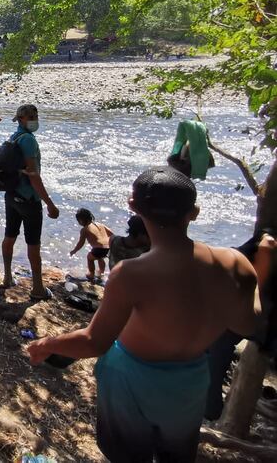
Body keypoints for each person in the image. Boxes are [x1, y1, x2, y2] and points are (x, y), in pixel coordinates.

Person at [27, 167, 259, 462]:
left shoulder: (130, 274)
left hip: (132, 382)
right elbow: (247, 324)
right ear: (195, 212)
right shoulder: (234, 262)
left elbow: (94, 342)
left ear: (133, 206)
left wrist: (46, 345)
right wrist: (260, 272)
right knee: (176, 454)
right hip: (190, 380)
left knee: (128, 455)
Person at [206, 227, 277, 420]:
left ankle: (210, 408)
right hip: (251, 309)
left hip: (259, 312)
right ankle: (209, 406)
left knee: (218, 340)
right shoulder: (266, 239)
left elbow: (256, 291)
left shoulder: (267, 243)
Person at [0, 104, 59, 301]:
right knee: (33, 244)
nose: (34, 119)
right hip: (28, 200)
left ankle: (8, 277)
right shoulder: (29, 141)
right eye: (30, 117)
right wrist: (49, 203)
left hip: (11, 196)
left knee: (10, 236)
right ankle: (38, 288)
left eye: (35, 115)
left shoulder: (13, 137)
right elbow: (34, 175)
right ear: (21, 119)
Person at [70, 208, 113, 282]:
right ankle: (101, 272)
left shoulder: (84, 229)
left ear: (81, 220)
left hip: (99, 248)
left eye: (78, 221)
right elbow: (112, 234)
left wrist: (74, 250)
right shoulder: (100, 224)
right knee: (100, 258)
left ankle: (91, 274)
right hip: (108, 247)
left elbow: (81, 243)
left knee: (89, 257)